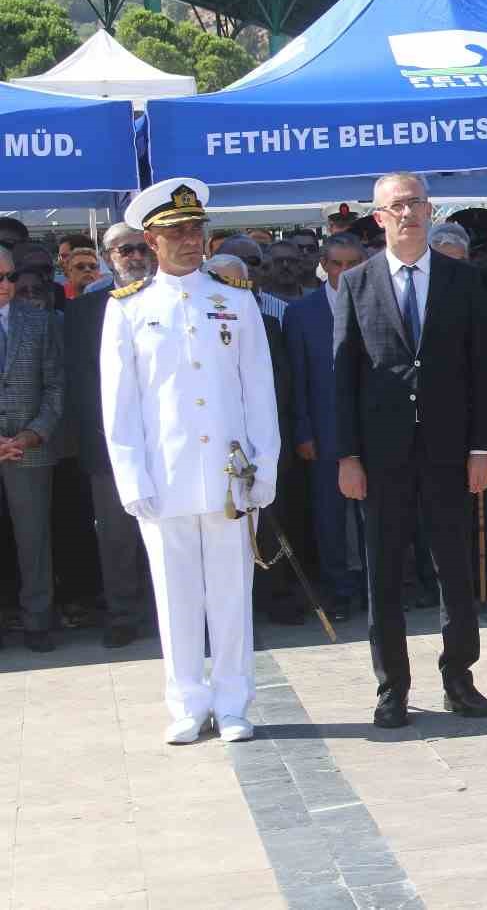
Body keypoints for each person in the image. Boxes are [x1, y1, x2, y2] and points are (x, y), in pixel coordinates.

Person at [101, 179, 277, 744]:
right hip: (165, 474)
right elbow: (120, 402)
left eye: (196, 229)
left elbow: (259, 392)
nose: (188, 240)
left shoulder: (235, 299)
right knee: (174, 594)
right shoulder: (129, 309)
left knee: (231, 592)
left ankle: (232, 701)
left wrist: (264, 466)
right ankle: (186, 702)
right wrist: (131, 475)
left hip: (230, 475)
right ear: (149, 242)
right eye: (174, 232)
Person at [333, 171, 487, 729]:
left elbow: (485, 371)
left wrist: (482, 448)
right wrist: (348, 456)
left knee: (455, 570)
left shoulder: (464, 280)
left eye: (417, 204)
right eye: (396, 206)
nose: (408, 213)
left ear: (431, 211)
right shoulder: (354, 284)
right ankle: (392, 687)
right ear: (377, 218)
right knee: (384, 574)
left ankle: (459, 677)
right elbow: (343, 377)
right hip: (381, 456)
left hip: (450, 450)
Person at [64, 226, 152, 648]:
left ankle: (179, 615)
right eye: (124, 250)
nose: (134, 256)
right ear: (107, 256)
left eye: (141, 247)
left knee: (174, 535)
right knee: (117, 538)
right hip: (110, 446)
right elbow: (80, 383)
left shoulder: (171, 298)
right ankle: (123, 614)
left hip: (170, 443)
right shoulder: (84, 312)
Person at [285, 233, 369, 622]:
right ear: (324, 264)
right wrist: (303, 432)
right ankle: (339, 590)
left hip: (374, 428)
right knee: (330, 515)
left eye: (353, 264)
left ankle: (376, 587)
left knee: (377, 512)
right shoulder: (302, 312)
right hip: (325, 430)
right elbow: (297, 378)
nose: (345, 272)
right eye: (337, 264)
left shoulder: (380, 301)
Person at [0, 243, 65, 653]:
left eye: (8, 277)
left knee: (33, 539)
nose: (5, 286)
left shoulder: (39, 321)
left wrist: (33, 433)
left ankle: (38, 620)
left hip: (30, 447)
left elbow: (57, 385)